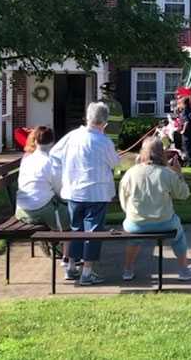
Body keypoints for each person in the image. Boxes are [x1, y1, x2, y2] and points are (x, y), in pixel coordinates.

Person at [50, 102, 120, 286]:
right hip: (96, 193)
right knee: (93, 232)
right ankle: (87, 272)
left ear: (87, 118)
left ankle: (71, 267)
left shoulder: (72, 136)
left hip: (74, 191)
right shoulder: (104, 141)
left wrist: (64, 174)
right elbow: (114, 163)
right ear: (104, 123)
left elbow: (54, 155)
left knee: (76, 229)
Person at [119, 137, 191, 282]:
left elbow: (123, 200)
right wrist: (179, 174)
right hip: (164, 222)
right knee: (178, 234)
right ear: (162, 153)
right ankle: (183, 269)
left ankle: (128, 269)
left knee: (132, 239)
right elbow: (183, 195)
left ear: (142, 152)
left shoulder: (130, 173)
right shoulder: (167, 173)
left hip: (136, 223)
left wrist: (130, 214)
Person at [14, 126, 72, 267]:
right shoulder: (50, 161)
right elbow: (60, 190)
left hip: (21, 209)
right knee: (72, 219)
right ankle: (67, 259)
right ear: (52, 142)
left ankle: (56, 248)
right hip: (40, 209)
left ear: (36, 140)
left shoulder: (27, 159)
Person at [99, 82, 124, 148]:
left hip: (101, 138)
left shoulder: (98, 104)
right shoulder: (118, 105)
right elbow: (121, 123)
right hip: (114, 140)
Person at [178, 96, 191, 166]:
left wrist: (183, 130)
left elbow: (186, 122)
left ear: (183, 103)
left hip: (187, 132)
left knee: (187, 147)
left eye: (180, 103)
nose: (179, 104)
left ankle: (190, 163)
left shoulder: (185, 111)